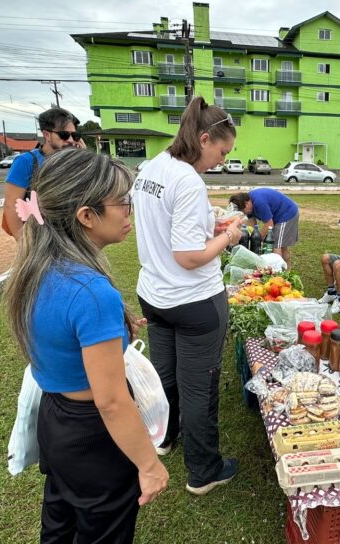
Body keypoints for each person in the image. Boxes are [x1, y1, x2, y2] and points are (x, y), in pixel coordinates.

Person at [2, 148, 169, 543]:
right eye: (123, 203)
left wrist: (117, 331)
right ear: (86, 215)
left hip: (55, 419)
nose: (129, 212)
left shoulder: (36, 267)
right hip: (92, 436)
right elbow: (110, 401)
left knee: (60, 523)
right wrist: (148, 465)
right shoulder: (92, 293)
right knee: (104, 531)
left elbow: (62, 335)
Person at [133, 96, 243, 496]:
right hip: (195, 301)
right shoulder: (189, 180)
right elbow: (190, 256)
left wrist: (208, 220)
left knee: (165, 377)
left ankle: (164, 436)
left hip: (155, 295)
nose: (222, 160)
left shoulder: (152, 168)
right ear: (203, 138)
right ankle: (204, 470)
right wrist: (229, 235)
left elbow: (164, 223)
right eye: (222, 151)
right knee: (199, 388)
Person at [2, 107, 86, 238]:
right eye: (64, 135)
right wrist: (23, 243)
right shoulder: (26, 162)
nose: (70, 140)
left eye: (74, 135)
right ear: (47, 135)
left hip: (71, 235)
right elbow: (11, 205)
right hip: (40, 236)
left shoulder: (73, 161)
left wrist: (83, 159)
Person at [228, 189, 299, 268]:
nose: (244, 213)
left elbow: (269, 224)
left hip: (286, 214)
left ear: (247, 203)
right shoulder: (248, 202)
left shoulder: (259, 203)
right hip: (276, 216)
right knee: (281, 245)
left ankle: (278, 273)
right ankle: (286, 269)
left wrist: (259, 239)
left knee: (276, 245)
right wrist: (250, 236)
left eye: (243, 211)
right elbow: (251, 221)